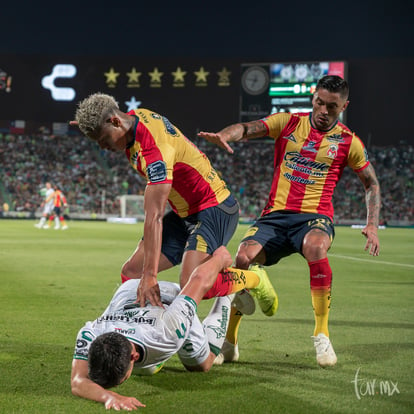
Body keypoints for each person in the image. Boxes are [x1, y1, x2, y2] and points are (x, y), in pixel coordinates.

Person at [198, 75, 381, 368]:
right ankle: (230, 342)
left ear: (344, 106)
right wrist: (225, 135)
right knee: (243, 257)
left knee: (316, 247)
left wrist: (372, 223)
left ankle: (321, 334)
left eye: (331, 107)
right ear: (313, 97)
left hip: (315, 218)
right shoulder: (289, 123)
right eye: (319, 102)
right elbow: (247, 129)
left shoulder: (349, 142)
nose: (323, 110)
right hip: (275, 217)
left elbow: (371, 182)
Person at [70, 94, 274, 324]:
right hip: (184, 213)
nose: (102, 147)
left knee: (190, 282)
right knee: (131, 273)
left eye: (103, 139)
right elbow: (104, 113)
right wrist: (93, 126)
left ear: (116, 122)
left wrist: (151, 275)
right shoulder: (132, 119)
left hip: (214, 209)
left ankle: (252, 278)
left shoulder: (155, 152)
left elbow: (154, 216)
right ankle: (143, 327)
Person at [71, 246, 276, 410]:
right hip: (131, 291)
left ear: (133, 357)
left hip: (170, 300)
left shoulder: (167, 332)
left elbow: (198, 280)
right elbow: (78, 381)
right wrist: (109, 397)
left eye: (120, 381)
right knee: (146, 370)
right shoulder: (92, 332)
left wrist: (219, 259)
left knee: (201, 365)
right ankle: (155, 361)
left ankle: (233, 293)